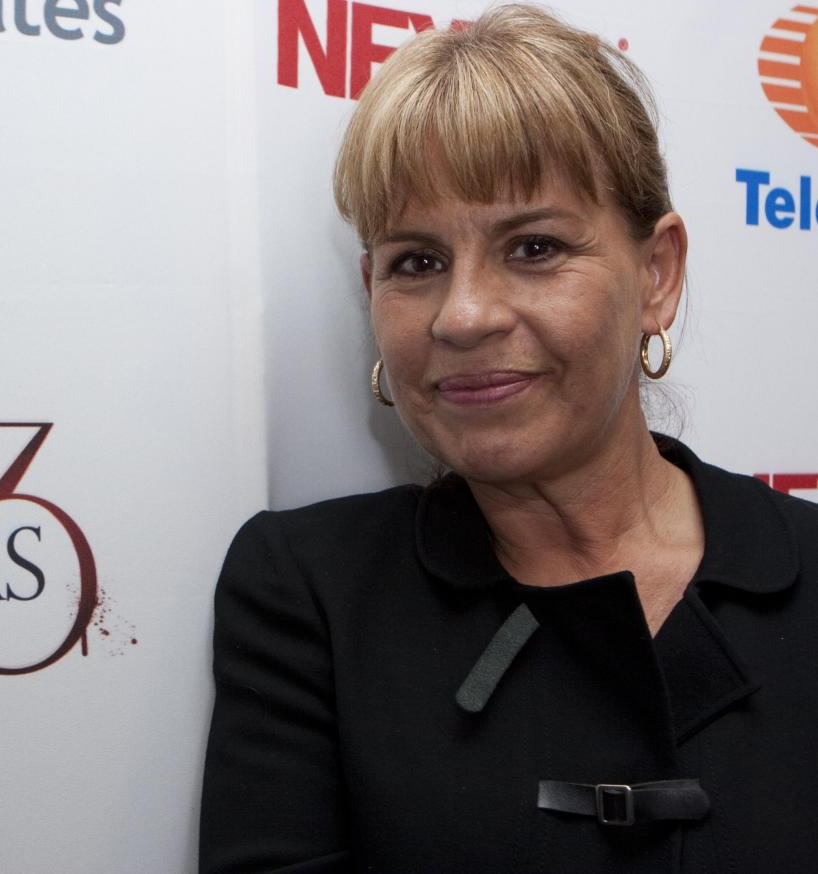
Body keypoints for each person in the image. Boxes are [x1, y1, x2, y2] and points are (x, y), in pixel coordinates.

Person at [198, 4, 818, 873]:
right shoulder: (309, 596)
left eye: (533, 246)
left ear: (657, 275)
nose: (464, 316)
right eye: (416, 263)